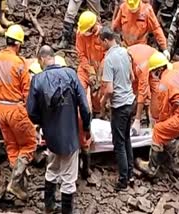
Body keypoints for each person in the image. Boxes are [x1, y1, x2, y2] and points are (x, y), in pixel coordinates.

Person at [26, 45, 91, 214]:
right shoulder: (70, 74)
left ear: (41, 59)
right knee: (69, 176)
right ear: (52, 57)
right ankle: (66, 211)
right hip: (70, 134)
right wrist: (86, 127)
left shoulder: (37, 80)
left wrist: (44, 123)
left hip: (51, 136)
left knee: (53, 167)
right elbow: (85, 106)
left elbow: (31, 112)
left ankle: (49, 206)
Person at [135, 52, 179, 199]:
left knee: (159, 131)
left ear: (158, 70)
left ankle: (152, 168)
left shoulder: (164, 84)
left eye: (154, 72)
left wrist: (160, 125)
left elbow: (164, 111)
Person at [0, 24, 36, 201]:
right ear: (18, 44)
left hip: (0, 110)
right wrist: (31, 114)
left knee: (12, 147)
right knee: (29, 144)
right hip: (15, 109)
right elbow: (28, 92)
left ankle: (20, 186)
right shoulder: (19, 63)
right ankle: (14, 182)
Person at [99, 27, 136, 191]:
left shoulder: (109, 59)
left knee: (119, 143)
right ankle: (130, 173)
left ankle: (123, 180)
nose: (101, 47)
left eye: (101, 43)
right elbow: (132, 77)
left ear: (106, 40)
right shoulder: (124, 52)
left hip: (120, 105)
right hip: (130, 101)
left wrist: (103, 101)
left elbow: (109, 89)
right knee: (126, 138)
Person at [75, 10, 105, 179]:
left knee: (99, 101)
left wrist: (99, 76)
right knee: (82, 103)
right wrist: (90, 71)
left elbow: (106, 57)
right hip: (86, 71)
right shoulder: (81, 33)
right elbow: (81, 54)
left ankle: (100, 121)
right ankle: (85, 129)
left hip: (101, 72)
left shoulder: (102, 35)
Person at [127, 44, 159, 135]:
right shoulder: (122, 56)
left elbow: (142, 91)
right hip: (139, 64)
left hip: (155, 66)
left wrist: (137, 120)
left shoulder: (140, 65)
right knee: (136, 94)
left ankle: (155, 125)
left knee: (155, 96)